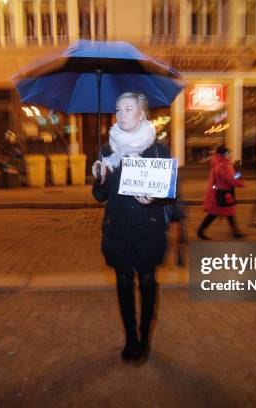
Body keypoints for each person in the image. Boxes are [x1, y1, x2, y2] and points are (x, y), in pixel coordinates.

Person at [91, 92, 172, 363]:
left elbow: (170, 191)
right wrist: (101, 179)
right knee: (123, 284)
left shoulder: (158, 148)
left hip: (147, 228)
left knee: (147, 283)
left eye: (128, 109)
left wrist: (156, 198)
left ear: (142, 114)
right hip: (118, 229)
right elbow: (99, 196)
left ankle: (145, 335)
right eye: (118, 108)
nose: (121, 113)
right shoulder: (106, 150)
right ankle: (130, 338)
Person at [197, 145, 245, 240]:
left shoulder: (223, 164)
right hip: (223, 194)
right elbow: (230, 179)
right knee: (214, 214)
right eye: (228, 153)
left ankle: (236, 232)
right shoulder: (223, 166)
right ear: (222, 154)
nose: (230, 155)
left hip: (223, 193)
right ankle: (200, 231)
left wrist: (236, 172)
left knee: (229, 213)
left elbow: (231, 177)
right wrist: (239, 175)